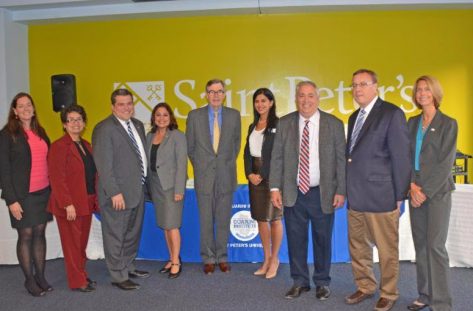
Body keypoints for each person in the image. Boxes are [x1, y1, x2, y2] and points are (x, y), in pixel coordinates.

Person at [269, 81, 346, 300]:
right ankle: (300, 281)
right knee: (295, 239)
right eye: (301, 96)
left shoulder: (333, 124)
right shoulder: (285, 123)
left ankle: (322, 282)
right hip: (293, 192)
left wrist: (341, 190)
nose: (306, 100)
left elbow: (341, 161)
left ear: (318, 98)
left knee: (322, 240)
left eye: (310, 95)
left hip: (323, 193)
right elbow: (277, 158)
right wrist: (275, 188)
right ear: (296, 98)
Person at [344, 69, 411, 311]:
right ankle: (365, 286)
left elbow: (401, 157)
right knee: (358, 247)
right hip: (355, 195)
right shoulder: (354, 117)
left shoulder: (391, 113)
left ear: (376, 87)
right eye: (354, 85)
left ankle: (389, 293)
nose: (358, 89)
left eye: (363, 84)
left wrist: (400, 195)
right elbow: (351, 157)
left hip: (382, 196)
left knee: (386, 249)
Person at [407, 76, 458, 311]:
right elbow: (405, 158)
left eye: (427, 89)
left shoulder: (449, 123)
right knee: (421, 246)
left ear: (435, 93)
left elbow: (445, 164)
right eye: (419, 90)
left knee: (435, 246)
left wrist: (424, 191)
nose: (422, 93)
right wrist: (411, 185)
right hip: (414, 190)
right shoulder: (411, 123)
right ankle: (425, 294)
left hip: (437, 193)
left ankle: (441, 302)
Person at [92, 88, 149, 290]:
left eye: (129, 103)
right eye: (121, 104)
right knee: (116, 234)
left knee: (132, 232)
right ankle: (118, 275)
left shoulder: (138, 125)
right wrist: (114, 192)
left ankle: (127, 266)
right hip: (117, 194)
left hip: (137, 190)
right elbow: (104, 165)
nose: (126, 107)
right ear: (113, 107)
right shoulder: (104, 128)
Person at [186, 79, 241, 274]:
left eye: (219, 91)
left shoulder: (234, 116)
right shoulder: (194, 116)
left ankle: (222, 257)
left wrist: (222, 164)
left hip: (226, 175)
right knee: (206, 220)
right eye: (211, 91)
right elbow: (190, 148)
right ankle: (208, 258)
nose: (216, 95)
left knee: (224, 219)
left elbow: (236, 146)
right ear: (206, 94)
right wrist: (202, 167)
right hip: (204, 176)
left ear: (224, 94)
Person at [0, 92, 53, 297]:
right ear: (14, 111)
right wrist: (11, 200)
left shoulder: (40, 131)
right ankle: (29, 280)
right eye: (20, 106)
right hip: (21, 195)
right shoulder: (7, 135)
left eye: (28, 105)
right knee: (26, 235)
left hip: (43, 192)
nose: (25, 109)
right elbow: (3, 169)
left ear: (33, 108)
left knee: (40, 234)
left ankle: (40, 276)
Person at [48, 105, 98, 292]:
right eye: (71, 120)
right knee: (72, 245)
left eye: (79, 119)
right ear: (64, 124)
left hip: (87, 200)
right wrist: (67, 204)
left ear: (84, 123)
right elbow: (57, 178)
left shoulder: (86, 145)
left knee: (81, 242)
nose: (76, 123)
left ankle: (81, 275)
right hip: (70, 205)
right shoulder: (59, 146)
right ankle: (77, 281)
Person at [243, 88, 282, 279]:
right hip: (255, 177)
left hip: (273, 176)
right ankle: (266, 259)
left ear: (271, 103)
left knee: (275, 218)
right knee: (261, 219)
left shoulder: (279, 125)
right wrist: (250, 173)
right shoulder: (252, 126)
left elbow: (278, 155)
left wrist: (263, 173)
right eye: (257, 101)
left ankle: (275, 259)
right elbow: (247, 153)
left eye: (264, 101)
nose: (260, 104)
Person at [146, 102, 187, 279]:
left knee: (172, 225)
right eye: (158, 115)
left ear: (170, 118)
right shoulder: (149, 136)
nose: (161, 118)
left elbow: (182, 164)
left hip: (171, 187)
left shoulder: (178, 136)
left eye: (165, 115)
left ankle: (176, 262)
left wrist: (179, 189)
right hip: (155, 185)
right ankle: (171, 258)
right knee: (164, 225)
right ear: (153, 118)